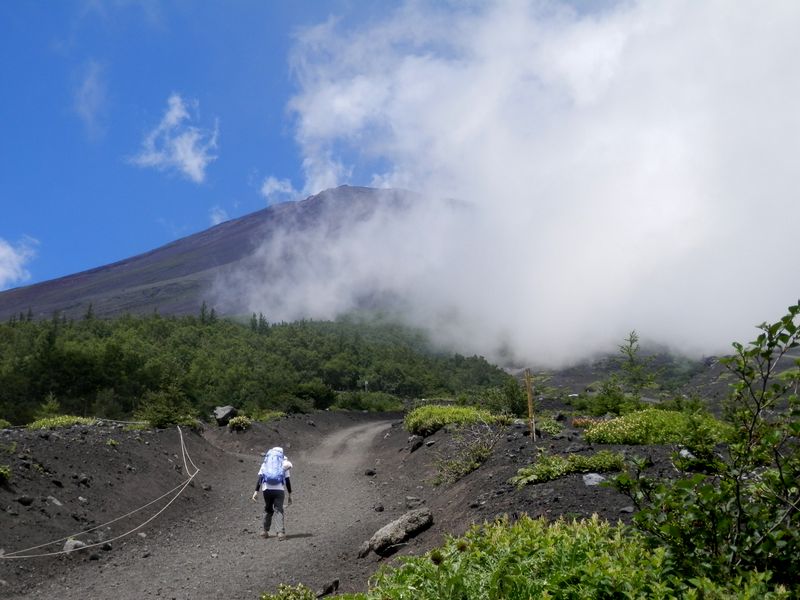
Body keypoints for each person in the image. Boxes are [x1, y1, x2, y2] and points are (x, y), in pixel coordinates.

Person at [251, 446, 293, 540]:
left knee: (268, 508)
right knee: (278, 509)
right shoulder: (284, 463)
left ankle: (264, 531)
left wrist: (256, 492)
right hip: (279, 490)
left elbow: (260, 478)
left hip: (266, 489)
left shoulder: (265, 463)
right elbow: (287, 480)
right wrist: (290, 494)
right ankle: (280, 533)